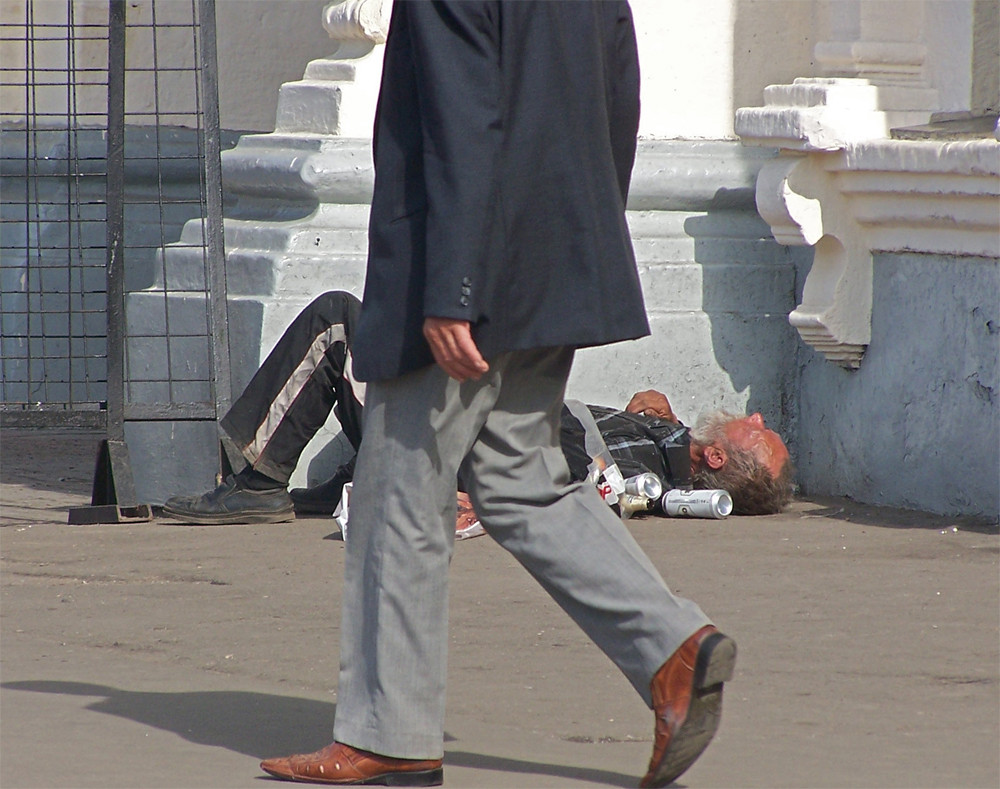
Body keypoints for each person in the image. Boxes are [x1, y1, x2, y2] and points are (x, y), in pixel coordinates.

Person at [254, 4, 738, 786]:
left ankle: (390, 729)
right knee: (523, 479)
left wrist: (453, 287)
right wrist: (583, 236)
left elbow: (460, 113)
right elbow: (620, 88)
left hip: (466, 267)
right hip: (558, 252)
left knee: (398, 488)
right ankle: (673, 647)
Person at [160, 291, 792, 526]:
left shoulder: (645, 475)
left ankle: (257, 481)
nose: (758, 418)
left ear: (715, 455)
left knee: (340, 324)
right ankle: (294, 486)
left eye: (756, 434)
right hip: (477, 426)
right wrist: (657, 418)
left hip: (470, 441)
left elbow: (571, 462)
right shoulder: (666, 440)